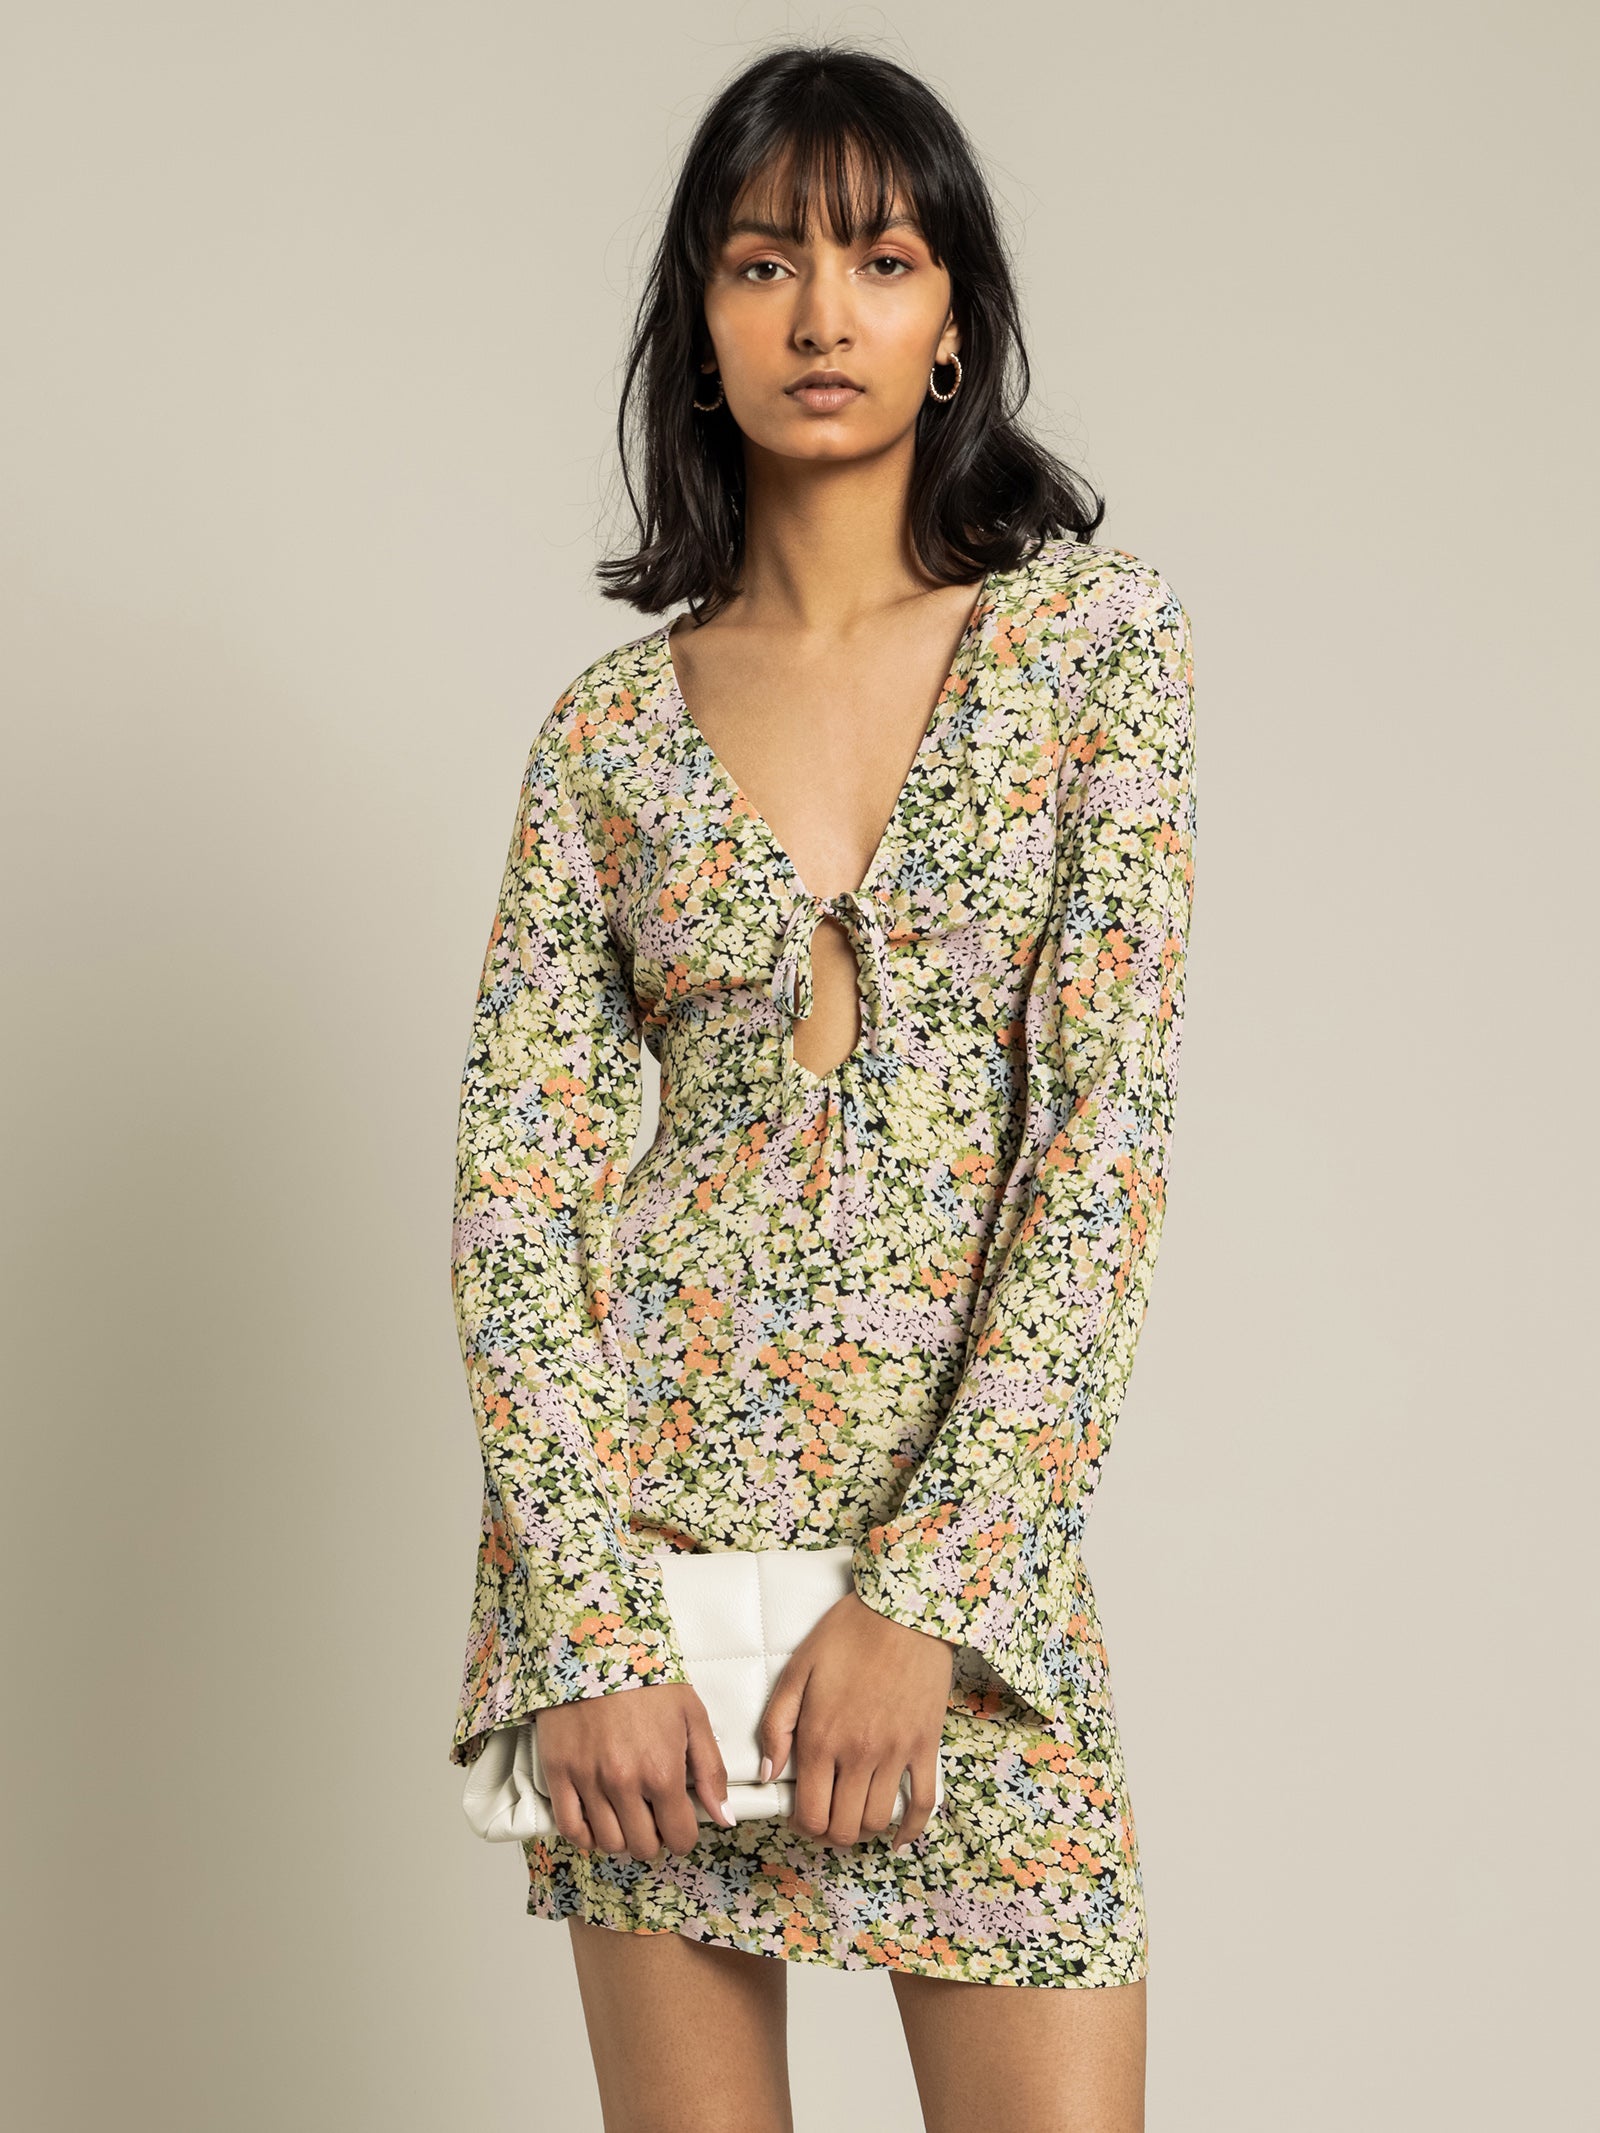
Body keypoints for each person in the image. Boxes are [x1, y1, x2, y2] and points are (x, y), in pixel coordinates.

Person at [446, 40, 1197, 2133]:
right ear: (698, 321)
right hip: (648, 1593)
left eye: (880, 258)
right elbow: (516, 1200)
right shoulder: (606, 735)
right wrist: (584, 1625)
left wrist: (932, 1598)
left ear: (955, 318)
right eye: (764, 262)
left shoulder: (1094, 654)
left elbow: (1101, 1154)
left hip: (966, 1593)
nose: (820, 313)